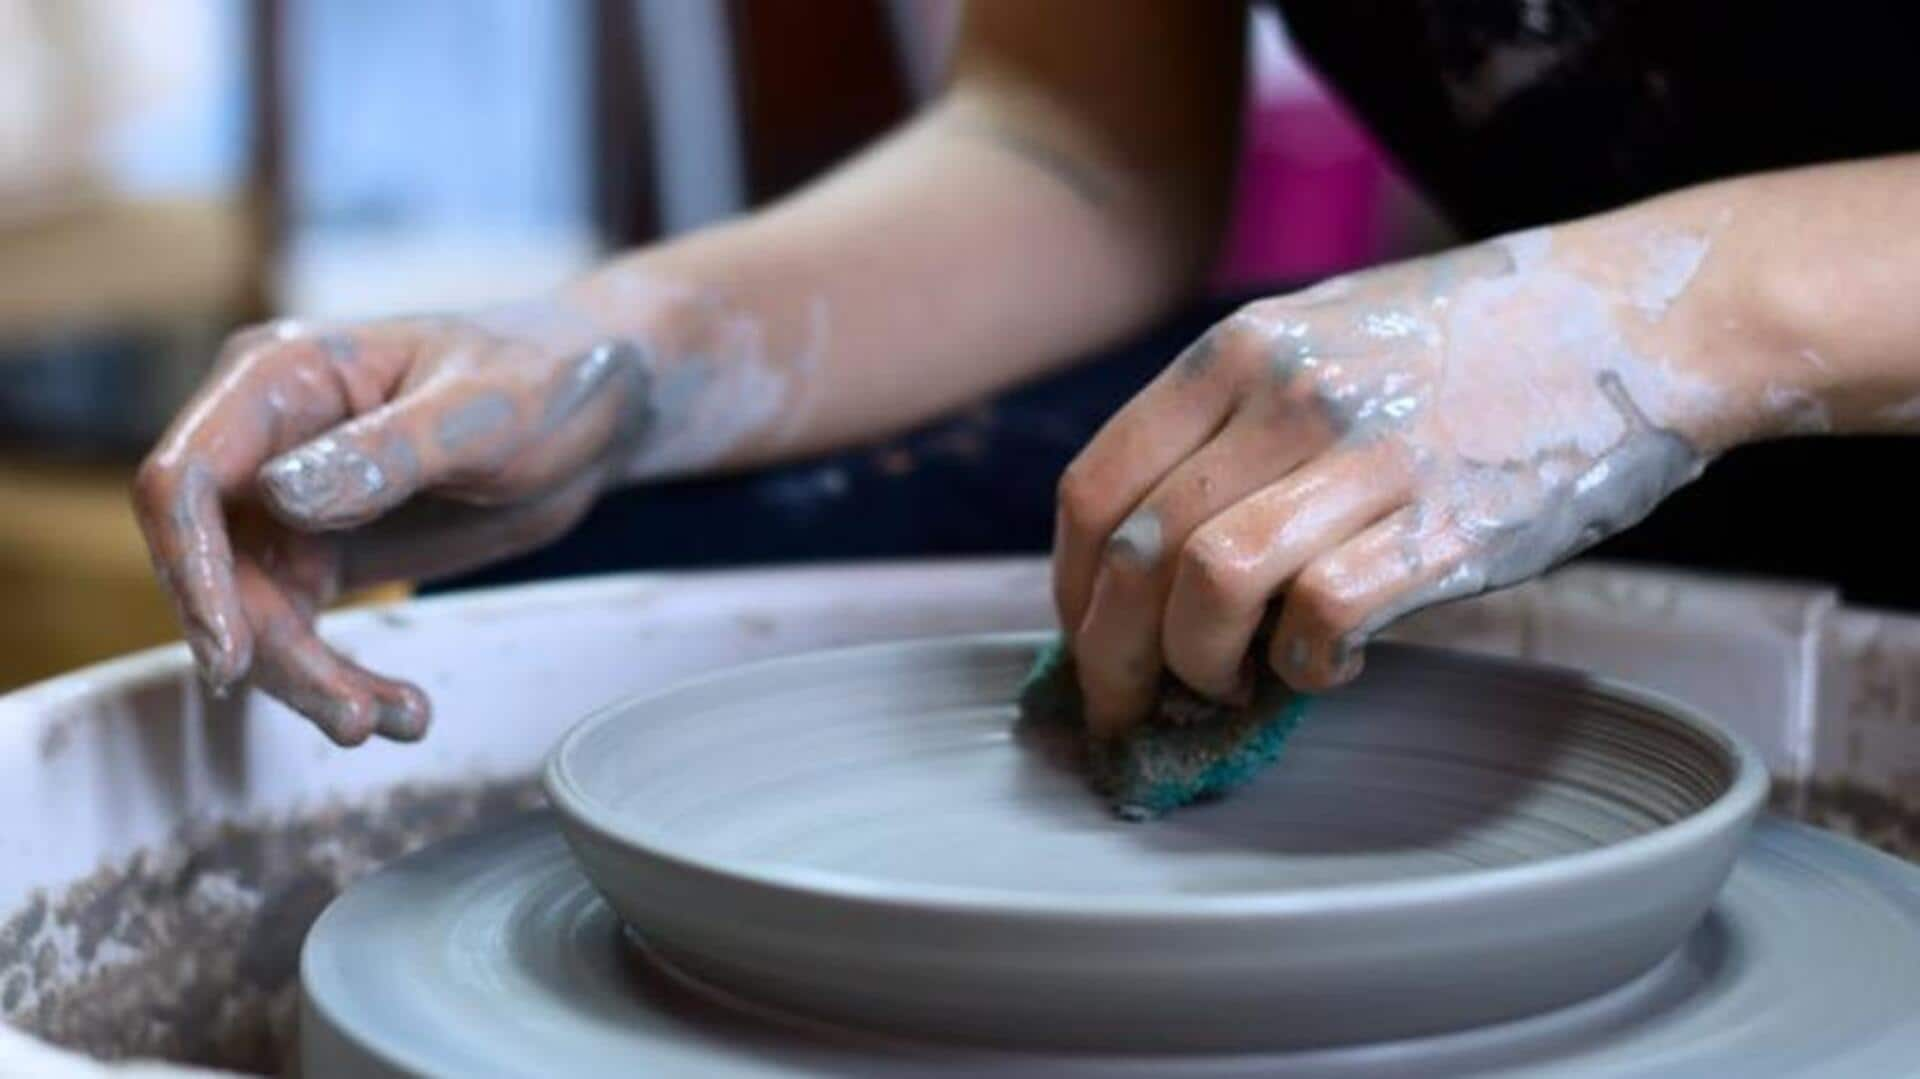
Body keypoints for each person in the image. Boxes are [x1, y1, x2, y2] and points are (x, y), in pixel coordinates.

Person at [134, 1, 1920, 745]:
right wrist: (626, 356)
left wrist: (1669, 324)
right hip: (1522, 388)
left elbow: (1645, 329)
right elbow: (1079, 145)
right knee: (612, 607)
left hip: (1762, 366)